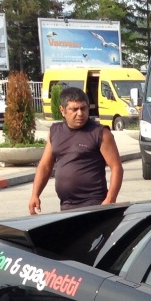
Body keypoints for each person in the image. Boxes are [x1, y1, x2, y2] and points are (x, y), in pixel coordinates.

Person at [28, 86, 123, 214]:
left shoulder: (100, 132)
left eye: (83, 108)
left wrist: (110, 199)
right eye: (74, 109)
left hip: (94, 204)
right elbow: (45, 166)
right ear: (62, 110)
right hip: (66, 205)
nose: (80, 113)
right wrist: (35, 194)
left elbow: (116, 167)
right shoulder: (55, 131)